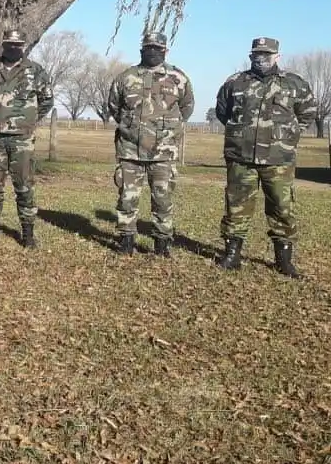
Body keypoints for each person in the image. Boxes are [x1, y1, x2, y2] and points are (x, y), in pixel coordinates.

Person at [214, 37, 316, 278]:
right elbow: (222, 112)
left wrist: (285, 138)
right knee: (236, 207)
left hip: (278, 159)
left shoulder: (294, 84)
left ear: (277, 56)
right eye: (257, 54)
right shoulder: (235, 83)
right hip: (241, 158)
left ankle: (284, 261)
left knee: (282, 207)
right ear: (251, 56)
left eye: (267, 54)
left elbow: (307, 114)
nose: (261, 59)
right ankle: (232, 255)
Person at [106, 31, 195, 257]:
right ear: (141, 50)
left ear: (165, 50)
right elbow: (114, 107)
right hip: (130, 151)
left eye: (157, 48)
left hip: (163, 153)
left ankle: (162, 243)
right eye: (148, 48)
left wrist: (167, 130)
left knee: (163, 200)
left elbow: (186, 108)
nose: (152, 52)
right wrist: (132, 127)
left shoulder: (178, 78)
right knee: (127, 198)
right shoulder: (125, 78)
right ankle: (126, 241)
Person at [0, 29, 54, 247]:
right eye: (9, 44)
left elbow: (47, 100)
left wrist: (26, 120)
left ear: (23, 46)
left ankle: (28, 233)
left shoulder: (36, 71)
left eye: (18, 45)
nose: (13, 48)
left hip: (22, 139)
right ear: (3, 44)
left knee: (24, 186)